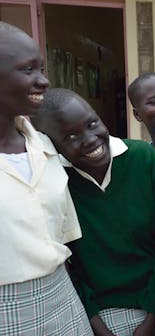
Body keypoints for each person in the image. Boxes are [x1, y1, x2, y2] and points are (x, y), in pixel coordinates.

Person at [31, 88, 155, 336]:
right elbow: (68, 264)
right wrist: (97, 325)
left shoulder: (142, 158)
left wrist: (151, 317)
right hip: (100, 312)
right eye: (70, 137)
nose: (90, 139)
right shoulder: (56, 182)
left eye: (92, 123)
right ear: (52, 146)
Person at [0, 21, 92, 335]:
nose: (43, 81)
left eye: (41, 69)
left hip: (61, 296)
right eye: (28, 70)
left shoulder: (45, 148)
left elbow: (62, 233)